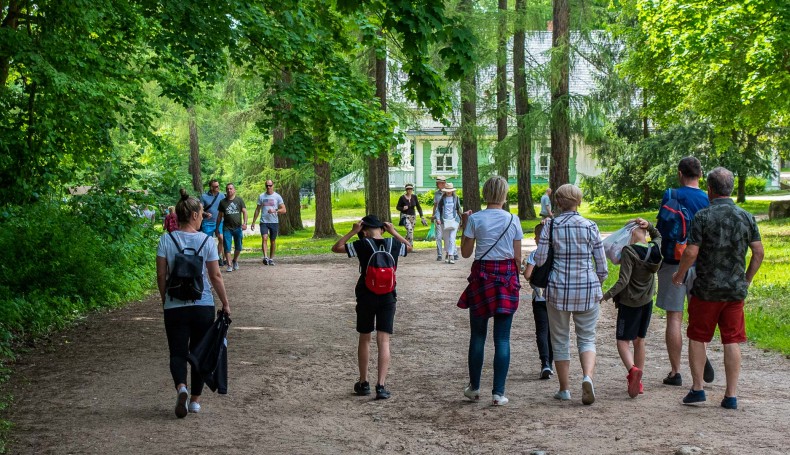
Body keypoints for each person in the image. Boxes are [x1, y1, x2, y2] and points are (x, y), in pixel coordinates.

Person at [673, 167, 763, 410]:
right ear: (730, 189)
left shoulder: (702, 216)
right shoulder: (746, 216)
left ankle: (698, 389)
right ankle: (731, 395)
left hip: (706, 290)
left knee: (697, 337)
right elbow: (758, 251)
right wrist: (747, 279)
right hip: (734, 291)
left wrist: (680, 275)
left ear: (709, 190)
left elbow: (691, 252)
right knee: (731, 340)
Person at [156, 189, 231, 418]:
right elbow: (216, 276)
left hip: (174, 305)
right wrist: (225, 303)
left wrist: (165, 299)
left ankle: (182, 388)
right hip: (202, 305)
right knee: (199, 352)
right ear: (196, 215)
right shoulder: (206, 241)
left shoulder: (166, 240)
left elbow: (161, 276)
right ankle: (195, 401)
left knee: (177, 353)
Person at [534, 184, 607, 405]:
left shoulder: (551, 226)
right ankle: (587, 377)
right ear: (579, 202)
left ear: (557, 202)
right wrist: (597, 282)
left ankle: (564, 389)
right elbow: (602, 265)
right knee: (586, 337)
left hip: (558, 289)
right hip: (586, 288)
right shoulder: (590, 226)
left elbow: (539, 260)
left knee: (560, 339)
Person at [457, 176, 523, 406]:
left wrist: (466, 224)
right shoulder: (513, 220)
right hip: (505, 277)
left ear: (485, 193)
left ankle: (474, 388)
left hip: (482, 277)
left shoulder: (475, 219)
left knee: (477, 335)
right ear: (505, 195)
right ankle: (498, 393)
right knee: (502, 338)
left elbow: (465, 253)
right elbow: (517, 258)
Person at [331, 215, 412, 400]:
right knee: (384, 340)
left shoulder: (363, 244)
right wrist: (394, 232)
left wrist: (353, 231)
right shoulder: (393, 244)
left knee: (365, 338)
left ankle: (364, 382)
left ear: (364, 230)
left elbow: (336, 248)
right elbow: (410, 247)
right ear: (382, 229)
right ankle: (381, 386)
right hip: (388, 296)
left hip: (366, 295)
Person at [655, 157, 713, 387]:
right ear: (700, 174)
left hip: (673, 262)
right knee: (699, 317)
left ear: (680, 173)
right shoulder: (710, 199)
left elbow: (661, 229)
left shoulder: (671, 195)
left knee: (674, 317)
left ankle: (675, 371)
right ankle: (701, 359)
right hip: (701, 263)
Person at [602, 218, 662, 398]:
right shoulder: (655, 248)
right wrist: (649, 226)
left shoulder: (629, 251)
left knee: (622, 341)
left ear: (634, 233)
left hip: (629, 303)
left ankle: (632, 370)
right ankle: (639, 381)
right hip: (647, 300)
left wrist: (605, 296)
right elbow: (658, 235)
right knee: (639, 340)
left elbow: (623, 281)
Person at [522, 222, 553, 380]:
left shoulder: (535, 254)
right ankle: (553, 364)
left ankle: (545, 363)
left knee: (542, 331)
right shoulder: (556, 253)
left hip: (539, 298)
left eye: (536, 235)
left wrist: (525, 271)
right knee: (554, 332)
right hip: (556, 298)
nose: (534, 238)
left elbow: (527, 275)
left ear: (540, 237)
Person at [252, 179, 286, 265]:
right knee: (264, 238)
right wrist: (253, 222)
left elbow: (284, 210)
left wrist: (275, 210)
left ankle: (271, 259)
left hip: (274, 222)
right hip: (264, 221)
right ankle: (265, 257)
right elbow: (257, 209)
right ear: (265, 186)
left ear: (273, 186)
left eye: (270, 185)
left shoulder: (277, 196)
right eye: (267, 185)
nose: (268, 187)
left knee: (273, 241)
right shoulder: (261, 196)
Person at [216, 183, 248, 273]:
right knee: (227, 247)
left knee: (239, 247)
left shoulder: (239, 200)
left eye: (231, 188)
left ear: (234, 190)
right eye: (227, 189)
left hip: (238, 227)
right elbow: (219, 216)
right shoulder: (222, 202)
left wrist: (245, 223)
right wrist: (217, 227)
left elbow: (245, 212)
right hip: (227, 228)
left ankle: (235, 260)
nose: (229, 190)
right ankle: (229, 264)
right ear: (226, 190)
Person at [434, 182, 463, 264]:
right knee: (446, 239)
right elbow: (438, 210)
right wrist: (438, 219)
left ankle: (451, 255)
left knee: (452, 238)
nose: (449, 192)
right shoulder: (442, 199)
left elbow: (459, 208)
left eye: (450, 190)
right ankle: (447, 253)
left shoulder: (456, 198)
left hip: (454, 220)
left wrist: (462, 217)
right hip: (444, 221)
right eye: (447, 190)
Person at [200, 179, 226, 266]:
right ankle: (209, 259)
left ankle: (218, 257)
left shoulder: (222, 196)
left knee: (221, 238)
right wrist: (205, 213)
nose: (218, 187)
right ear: (211, 187)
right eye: (216, 186)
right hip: (207, 222)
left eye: (218, 186)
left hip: (219, 222)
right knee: (208, 242)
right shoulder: (203, 197)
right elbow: (200, 209)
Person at [432, 177, 447, 261]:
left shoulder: (449, 192)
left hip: (447, 218)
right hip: (438, 218)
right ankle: (439, 254)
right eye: (437, 183)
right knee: (438, 236)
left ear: (444, 183)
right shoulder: (436, 194)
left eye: (439, 183)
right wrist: (433, 215)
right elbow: (435, 205)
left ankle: (452, 253)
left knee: (447, 236)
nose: (437, 185)